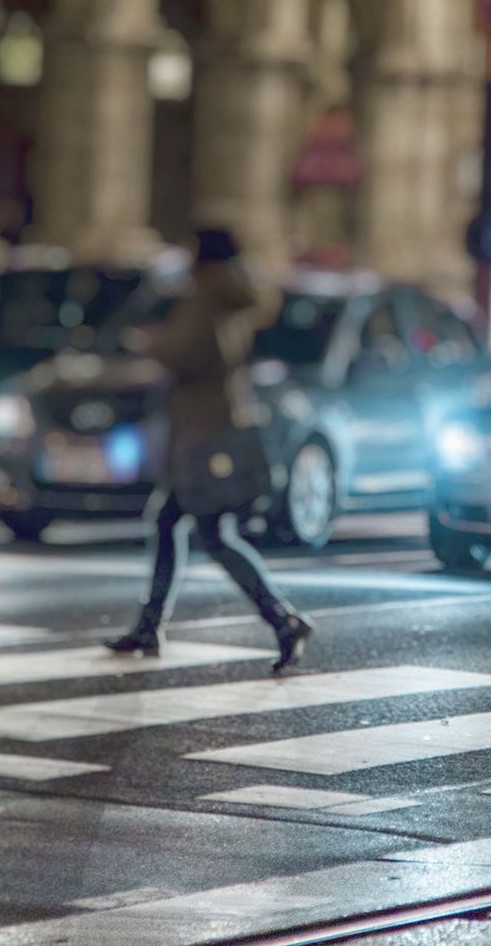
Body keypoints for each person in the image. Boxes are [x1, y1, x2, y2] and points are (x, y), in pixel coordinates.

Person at [104, 227, 313, 672]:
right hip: (210, 426)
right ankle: (150, 624)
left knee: (215, 535)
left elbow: (196, 355)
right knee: (166, 521)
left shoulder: (208, 298)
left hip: (205, 431)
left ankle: (283, 620)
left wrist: (153, 343)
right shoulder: (227, 295)